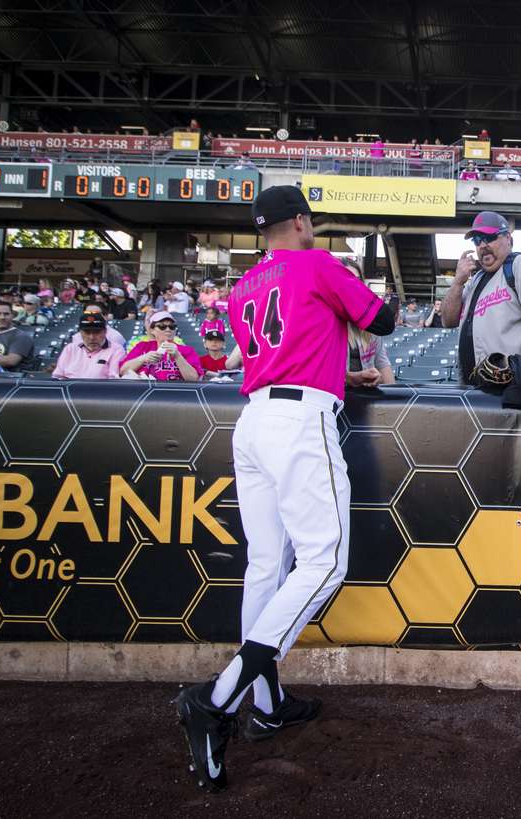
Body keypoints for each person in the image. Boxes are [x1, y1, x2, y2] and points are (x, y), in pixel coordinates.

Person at [172, 185, 395, 792]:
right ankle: (218, 700)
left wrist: (336, 367)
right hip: (300, 424)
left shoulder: (243, 285)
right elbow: (385, 320)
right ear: (301, 221)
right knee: (324, 563)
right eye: (310, 220)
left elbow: (271, 354)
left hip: (253, 422)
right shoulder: (317, 261)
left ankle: (267, 706)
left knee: (267, 564)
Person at [441, 211, 521, 382]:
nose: (482, 245)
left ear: (508, 239)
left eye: (489, 237)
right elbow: (448, 321)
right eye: (477, 240)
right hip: (474, 386)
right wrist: (458, 282)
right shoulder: (476, 279)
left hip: (512, 386)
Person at [120, 311, 203, 381]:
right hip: (146, 393)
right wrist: (143, 358)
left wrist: (178, 356)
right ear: (152, 330)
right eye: (162, 326)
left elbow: (193, 379)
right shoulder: (142, 347)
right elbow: (123, 371)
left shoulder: (186, 350)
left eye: (172, 326)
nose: (168, 329)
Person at [51, 313, 125, 380]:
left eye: (97, 332)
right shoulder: (70, 349)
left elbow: (113, 380)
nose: (91, 337)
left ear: (105, 331)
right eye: (87, 332)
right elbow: (57, 376)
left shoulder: (116, 350)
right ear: (80, 332)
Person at [0, 301, 36, 371]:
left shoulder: (22, 336)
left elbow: (11, 361)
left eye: (6, 314)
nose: (2, 317)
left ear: (12, 316)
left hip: (12, 378)